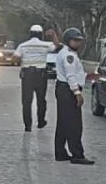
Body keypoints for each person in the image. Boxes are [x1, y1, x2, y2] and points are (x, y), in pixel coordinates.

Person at [54, 28, 94, 165]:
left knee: (63, 123)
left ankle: (60, 152)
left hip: (64, 89)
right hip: (68, 91)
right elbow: (70, 76)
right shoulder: (68, 56)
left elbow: (74, 73)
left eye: (79, 41)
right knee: (74, 125)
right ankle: (77, 155)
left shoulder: (67, 53)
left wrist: (86, 76)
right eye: (75, 40)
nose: (78, 43)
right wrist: (77, 93)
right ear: (68, 40)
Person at [14, 24, 54, 132]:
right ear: (41, 34)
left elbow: (15, 58)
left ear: (30, 34)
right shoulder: (46, 45)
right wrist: (53, 35)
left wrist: (23, 61)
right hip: (41, 76)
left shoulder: (23, 45)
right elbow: (58, 46)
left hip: (27, 75)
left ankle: (28, 126)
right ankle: (41, 122)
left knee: (26, 101)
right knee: (41, 100)